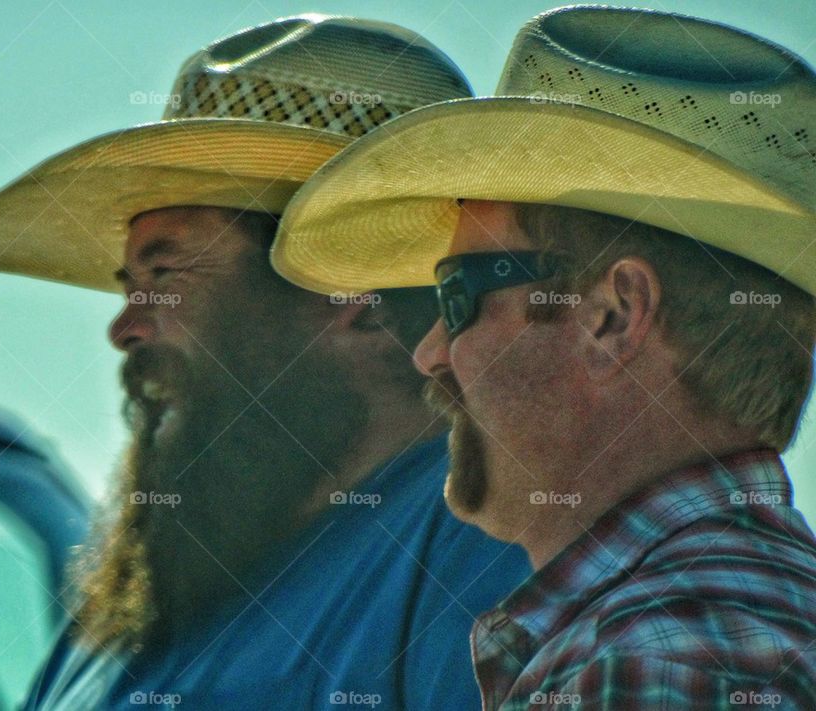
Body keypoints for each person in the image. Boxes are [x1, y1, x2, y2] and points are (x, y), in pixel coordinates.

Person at [0, 15, 532, 710]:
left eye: (166, 273)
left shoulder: (481, 555)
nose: (124, 328)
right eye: (129, 285)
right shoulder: (137, 603)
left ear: (353, 293)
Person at [271, 6, 816, 709]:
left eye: (459, 294)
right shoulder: (717, 628)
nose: (431, 351)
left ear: (613, 316)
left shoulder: (651, 663)